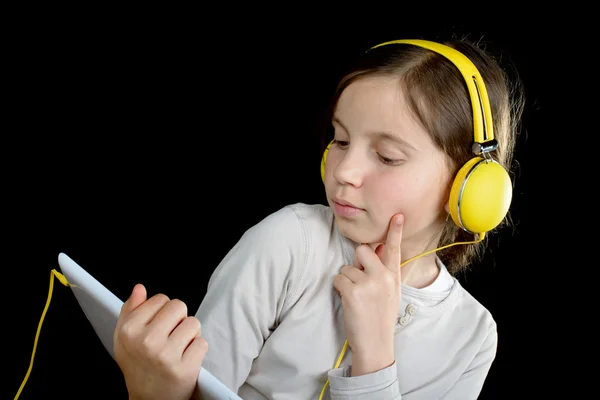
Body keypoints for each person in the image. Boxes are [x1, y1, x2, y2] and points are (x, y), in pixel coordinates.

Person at [113, 37, 525, 399]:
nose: (344, 170)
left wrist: (375, 356)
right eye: (341, 140)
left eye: (386, 156)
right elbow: (204, 384)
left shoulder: (471, 339)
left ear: (470, 187)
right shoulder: (290, 243)